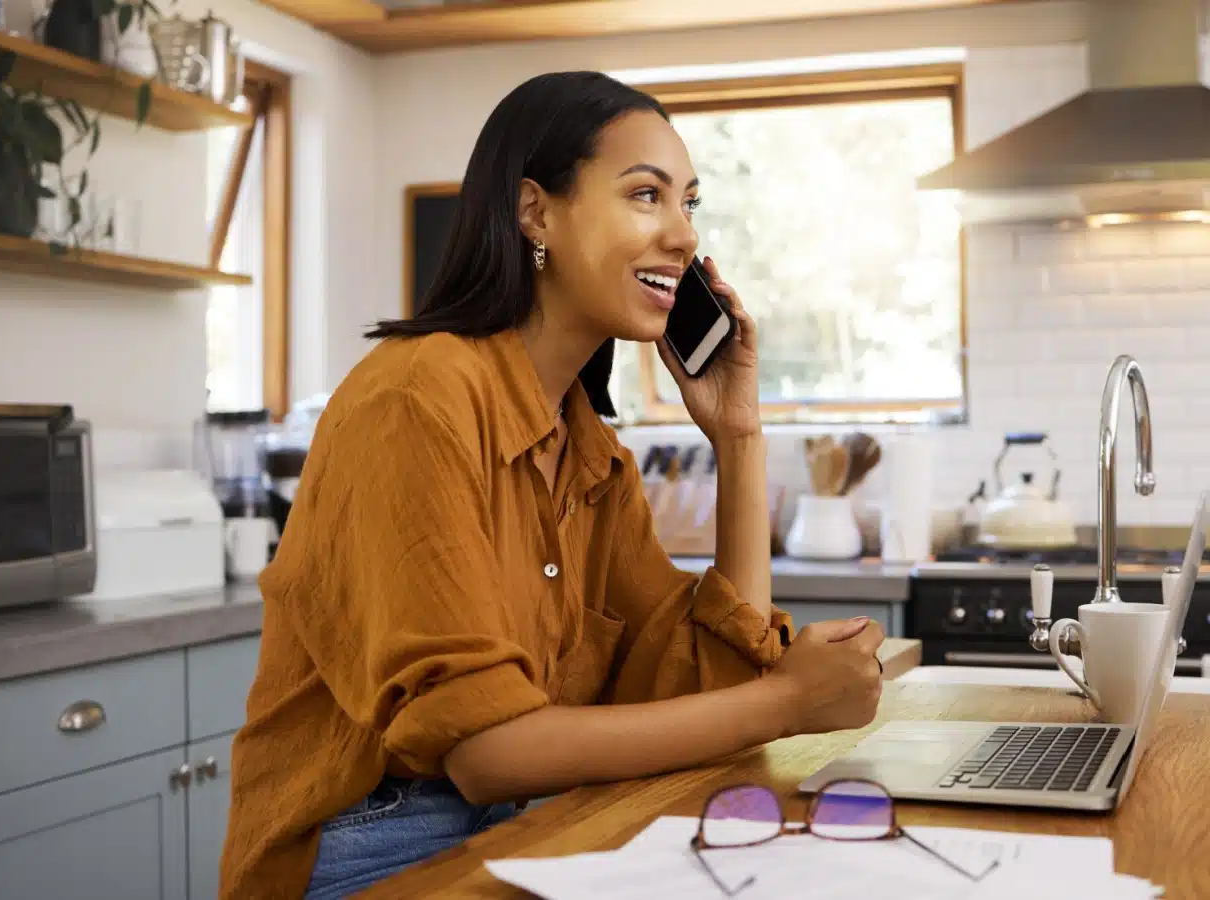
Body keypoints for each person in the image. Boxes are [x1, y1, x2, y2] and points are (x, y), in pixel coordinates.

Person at [216, 70, 886, 900]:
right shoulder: (414, 399)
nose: (681, 235)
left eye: (689, 204)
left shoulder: (590, 450)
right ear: (537, 211)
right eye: (647, 195)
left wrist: (738, 437)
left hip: (533, 819)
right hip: (369, 843)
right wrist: (787, 704)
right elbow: (489, 753)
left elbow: (717, 678)